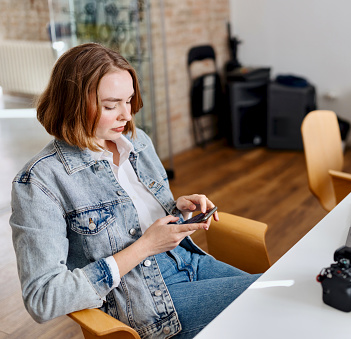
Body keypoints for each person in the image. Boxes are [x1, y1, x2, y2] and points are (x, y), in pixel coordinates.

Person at [10, 43, 260, 339]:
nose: (126, 116)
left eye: (128, 101)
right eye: (110, 105)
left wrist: (177, 210)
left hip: (189, 260)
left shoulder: (137, 141)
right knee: (268, 301)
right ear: (72, 103)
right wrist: (145, 247)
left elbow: (134, 220)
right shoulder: (39, 181)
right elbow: (42, 297)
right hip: (143, 301)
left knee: (277, 290)